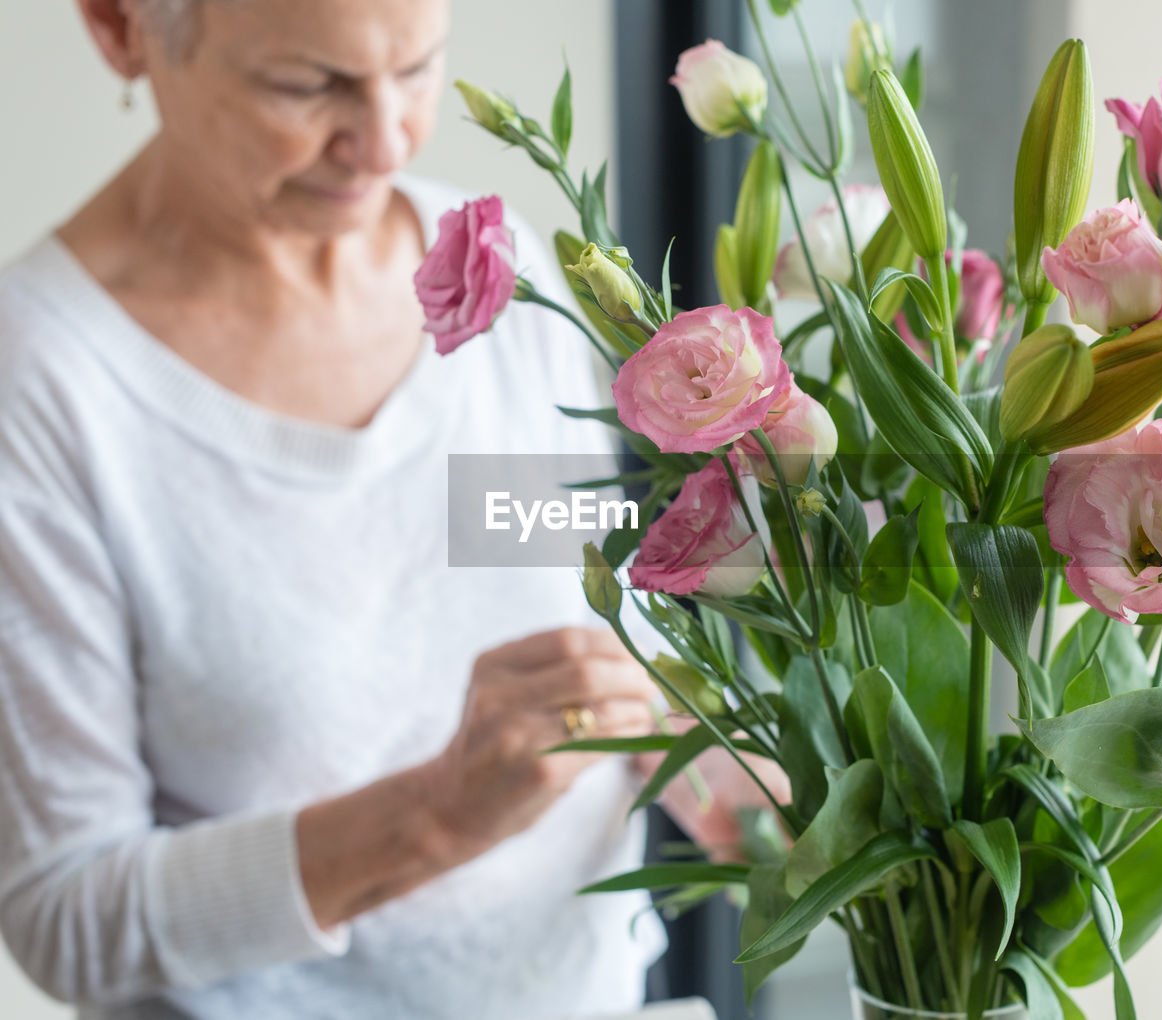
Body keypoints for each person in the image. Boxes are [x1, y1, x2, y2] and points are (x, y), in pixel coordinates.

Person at [0, 0, 770, 1016]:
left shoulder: (491, 278)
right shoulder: (43, 386)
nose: (385, 141)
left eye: (415, 69)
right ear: (118, 27)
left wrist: (744, 779)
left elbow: (577, 617)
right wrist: (434, 816)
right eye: (305, 85)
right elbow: (67, 916)